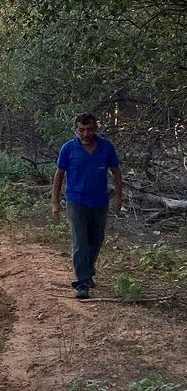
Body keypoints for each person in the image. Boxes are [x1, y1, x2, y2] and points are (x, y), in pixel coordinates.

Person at [52, 112, 123, 299]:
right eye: (81, 130)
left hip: (100, 202)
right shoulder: (68, 148)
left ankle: (88, 268)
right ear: (76, 130)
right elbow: (59, 174)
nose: (85, 134)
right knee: (80, 242)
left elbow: (116, 172)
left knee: (96, 239)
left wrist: (118, 196)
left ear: (96, 128)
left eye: (89, 129)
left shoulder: (106, 147)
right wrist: (55, 202)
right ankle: (82, 282)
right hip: (76, 202)